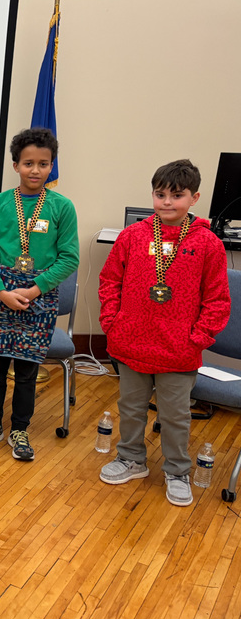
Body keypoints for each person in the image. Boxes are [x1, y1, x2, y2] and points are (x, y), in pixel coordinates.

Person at [98, 159, 229, 506]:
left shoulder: (208, 243)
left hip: (178, 350)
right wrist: (112, 322)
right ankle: (131, 458)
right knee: (131, 407)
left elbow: (217, 298)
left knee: (175, 415)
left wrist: (198, 337)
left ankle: (176, 471)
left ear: (194, 197)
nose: (167, 202)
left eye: (177, 195)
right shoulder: (132, 236)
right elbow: (110, 281)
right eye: (160, 194)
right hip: (132, 343)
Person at [0, 128, 79, 461]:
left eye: (43, 164)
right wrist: (2, 291)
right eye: (28, 163)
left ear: (51, 166)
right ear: (16, 164)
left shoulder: (62, 207)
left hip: (38, 297)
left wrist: (34, 289)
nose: (35, 170)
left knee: (28, 369)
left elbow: (70, 257)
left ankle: (20, 429)